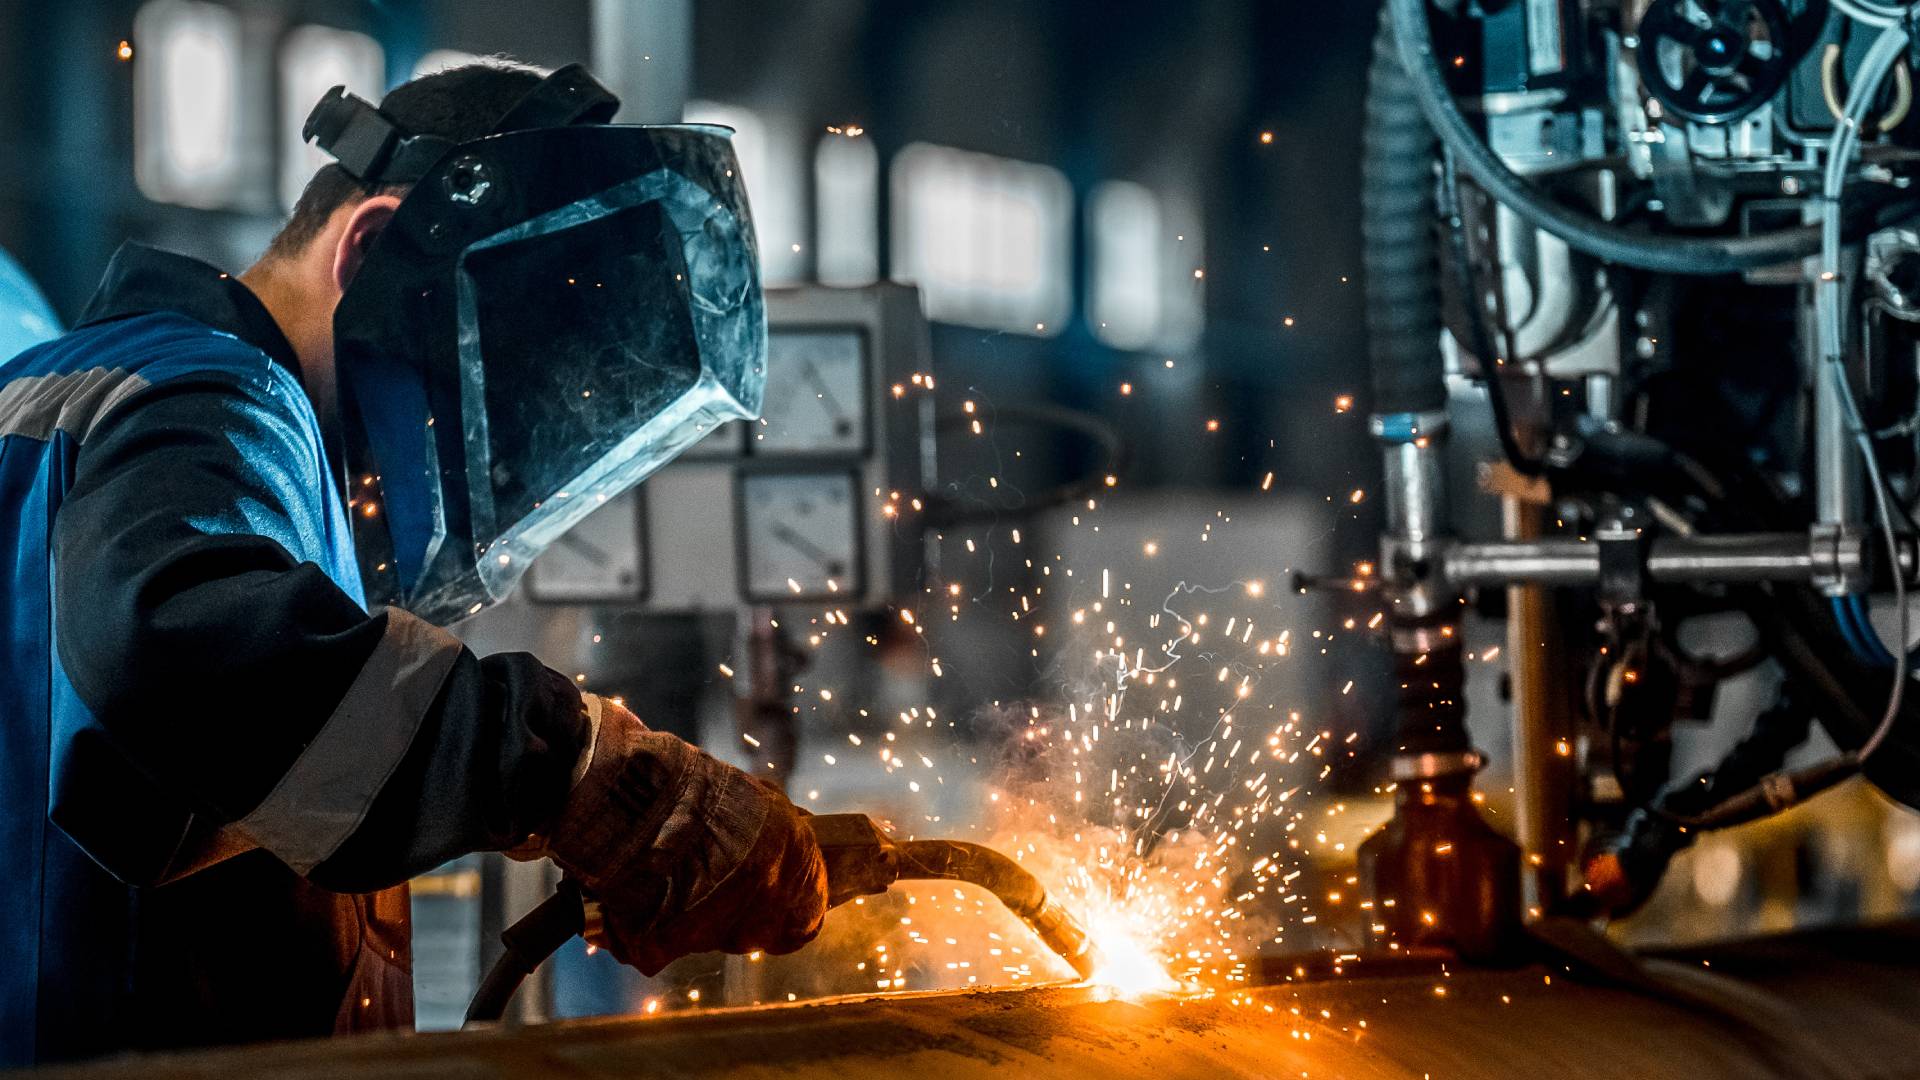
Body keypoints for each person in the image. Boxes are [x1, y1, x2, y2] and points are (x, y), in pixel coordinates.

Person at [0, 60, 826, 1066]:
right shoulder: (217, 396)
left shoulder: (111, 398)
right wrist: (557, 768)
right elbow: (169, 652)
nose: (496, 463)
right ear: (377, 245)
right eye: (498, 402)